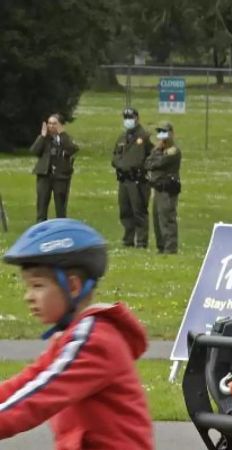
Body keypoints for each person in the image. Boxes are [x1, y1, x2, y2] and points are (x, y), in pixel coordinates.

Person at [0, 218, 153, 449]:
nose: (28, 296)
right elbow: (26, 383)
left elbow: (37, 398)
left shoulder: (93, 341)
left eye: (37, 286)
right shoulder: (72, 336)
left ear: (73, 287)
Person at [111, 107, 153, 248]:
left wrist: (143, 167)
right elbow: (115, 155)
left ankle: (141, 241)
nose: (128, 120)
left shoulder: (145, 136)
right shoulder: (122, 137)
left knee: (139, 210)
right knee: (125, 210)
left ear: (137, 118)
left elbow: (153, 155)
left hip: (138, 180)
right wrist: (119, 164)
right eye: (125, 118)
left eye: (130, 117)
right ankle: (128, 238)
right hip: (124, 179)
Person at [30, 114, 79, 222]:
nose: (51, 126)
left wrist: (62, 134)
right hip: (45, 175)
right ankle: (41, 227)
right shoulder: (45, 139)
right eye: (49, 123)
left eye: (54, 123)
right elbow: (34, 151)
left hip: (61, 176)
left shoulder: (65, 138)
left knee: (60, 205)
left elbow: (72, 149)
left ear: (60, 125)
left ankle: (60, 226)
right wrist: (42, 137)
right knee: (42, 203)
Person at [146, 121, 181, 254]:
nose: (162, 136)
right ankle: (161, 247)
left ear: (171, 134)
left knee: (167, 218)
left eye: (164, 132)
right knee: (157, 218)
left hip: (168, 189)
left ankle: (170, 248)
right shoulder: (158, 149)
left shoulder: (174, 151)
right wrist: (157, 152)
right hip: (158, 188)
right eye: (160, 132)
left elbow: (160, 163)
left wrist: (157, 156)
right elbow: (148, 163)